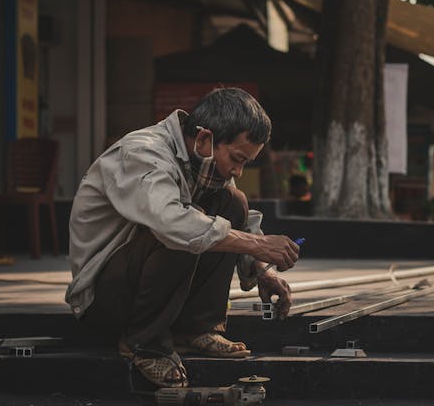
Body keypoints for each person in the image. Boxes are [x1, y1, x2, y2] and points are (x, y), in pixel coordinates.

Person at [65, 87, 299, 388]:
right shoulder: (142, 152)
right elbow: (172, 224)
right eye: (237, 159)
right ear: (204, 139)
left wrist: (260, 268)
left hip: (145, 283)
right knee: (182, 227)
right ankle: (144, 342)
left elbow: (232, 222)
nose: (238, 171)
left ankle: (196, 330)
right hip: (104, 299)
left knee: (233, 201)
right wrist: (256, 244)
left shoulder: (201, 159)